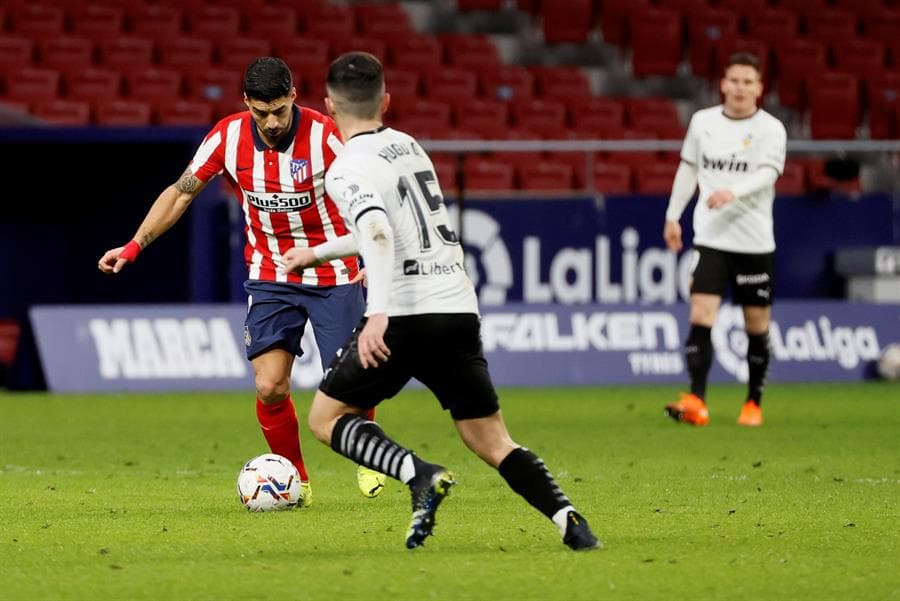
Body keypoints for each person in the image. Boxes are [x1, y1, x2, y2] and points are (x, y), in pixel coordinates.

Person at [283, 51, 600, 551]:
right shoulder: (409, 147)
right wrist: (318, 253)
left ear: (328, 106)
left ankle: (418, 473)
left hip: (406, 314)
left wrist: (377, 312)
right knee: (490, 439)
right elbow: (392, 230)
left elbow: (378, 233)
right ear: (385, 101)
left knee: (325, 417)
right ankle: (569, 521)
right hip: (456, 307)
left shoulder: (345, 168)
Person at [98, 57, 386, 503]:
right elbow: (181, 192)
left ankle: (367, 452)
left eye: (279, 110)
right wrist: (134, 245)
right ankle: (296, 481)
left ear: (293, 95)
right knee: (269, 385)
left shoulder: (328, 136)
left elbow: (372, 194)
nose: (271, 122)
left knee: (347, 382)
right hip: (271, 274)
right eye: (261, 112)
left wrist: (372, 254)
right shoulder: (227, 136)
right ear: (245, 102)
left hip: (335, 271)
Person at [662, 52, 786, 427]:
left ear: (759, 88)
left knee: (756, 325)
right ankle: (696, 401)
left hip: (754, 242)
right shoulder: (703, 123)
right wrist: (672, 214)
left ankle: (753, 403)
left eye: (748, 81)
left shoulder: (770, 129)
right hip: (711, 237)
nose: (740, 88)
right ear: (723, 84)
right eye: (734, 80)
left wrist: (732, 191)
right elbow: (688, 169)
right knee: (701, 314)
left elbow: (768, 174)